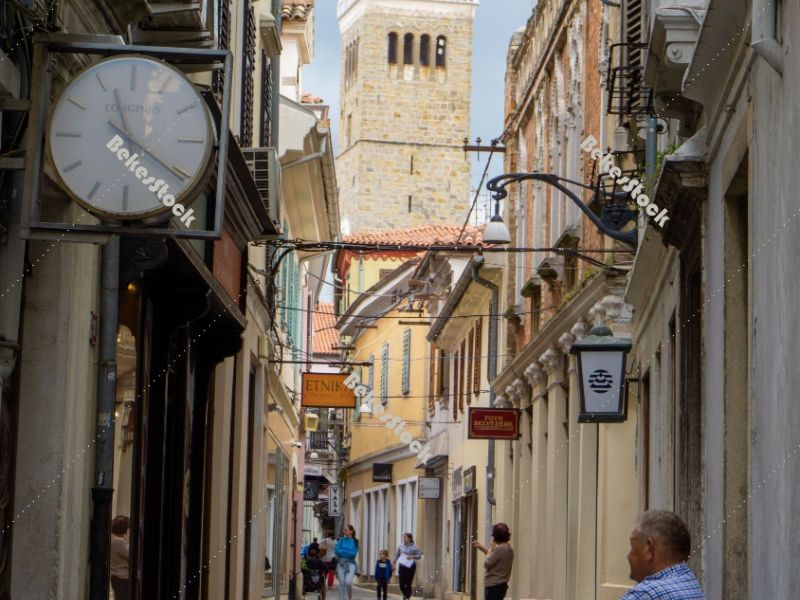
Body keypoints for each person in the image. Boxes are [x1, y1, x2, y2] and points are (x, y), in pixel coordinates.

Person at [621, 510, 705, 599]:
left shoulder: (646, 594)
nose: (628, 556)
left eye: (633, 547)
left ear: (649, 549)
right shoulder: (690, 582)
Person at [473, 523, 514, 600]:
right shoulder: (508, 548)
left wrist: (492, 547)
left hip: (493, 585)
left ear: (495, 536)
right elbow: (494, 558)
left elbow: (487, 563)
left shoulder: (499, 549)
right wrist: (482, 548)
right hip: (502, 585)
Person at [334, 525, 360, 600]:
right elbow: (337, 551)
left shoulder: (355, 541)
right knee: (342, 583)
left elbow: (353, 553)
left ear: (351, 531)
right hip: (341, 563)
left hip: (351, 563)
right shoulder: (341, 539)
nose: (344, 531)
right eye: (343, 530)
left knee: (348, 582)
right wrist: (346, 552)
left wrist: (342, 552)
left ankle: (350, 595)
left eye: (346, 530)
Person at [394, 533, 423, 600]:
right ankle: (405, 594)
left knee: (408, 583)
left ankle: (407, 597)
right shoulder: (400, 546)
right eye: (403, 537)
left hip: (411, 566)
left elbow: (419, 556)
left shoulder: (415, 547)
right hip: (402, 566)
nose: (403, 539)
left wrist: (413, 556)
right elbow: (397, 555)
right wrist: (394, 562)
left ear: (409, 538)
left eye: (405, 537)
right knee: (401, 584)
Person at [110, 515, 130, 600]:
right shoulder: (120, 542)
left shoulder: (112, 539)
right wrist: (128, 540)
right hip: (122, 577)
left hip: (115, 576)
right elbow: (129, 554)